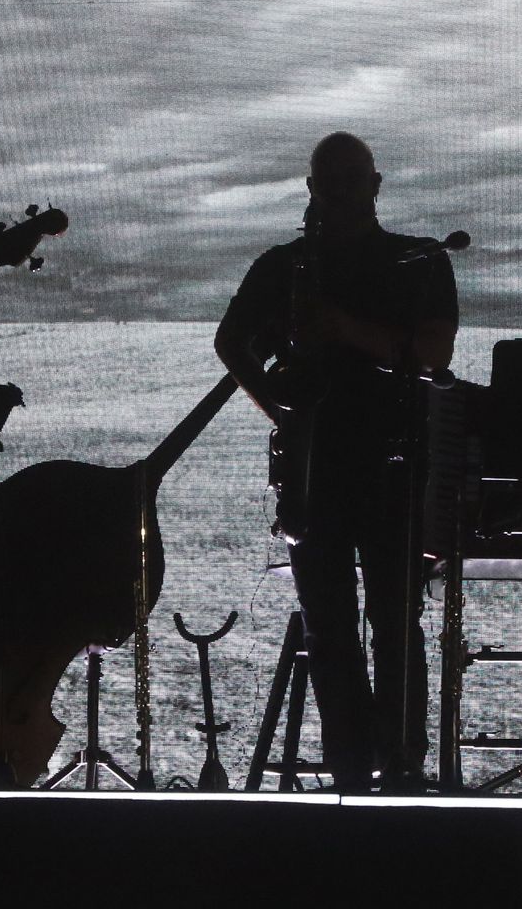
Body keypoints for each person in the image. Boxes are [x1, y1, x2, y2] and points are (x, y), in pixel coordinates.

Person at [214, 132, 458, 791]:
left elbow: (433, 353)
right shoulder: (284, 265)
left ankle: (401, 767)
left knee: (395, 624)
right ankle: (353, 770)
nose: (344, 192)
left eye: (354, 179)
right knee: (329, 629)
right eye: (331, 181)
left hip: (393, 464)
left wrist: (344, 329)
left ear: (375, 185)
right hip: (313, 466)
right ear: (313, 189)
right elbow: (230, 341)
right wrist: (283, 413)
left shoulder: (419, 260)